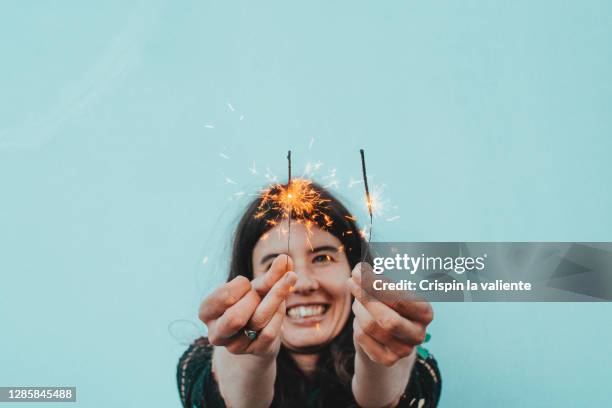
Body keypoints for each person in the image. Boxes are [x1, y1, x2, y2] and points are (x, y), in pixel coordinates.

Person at [177, 180, 441, 407]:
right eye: (274, 264)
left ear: (355, 269)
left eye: (322, 257)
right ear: (247, 281)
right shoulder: (198, 364)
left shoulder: (420, 370)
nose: (303, 283)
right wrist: (249, 356)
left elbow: (384, 398)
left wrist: (381, 360)